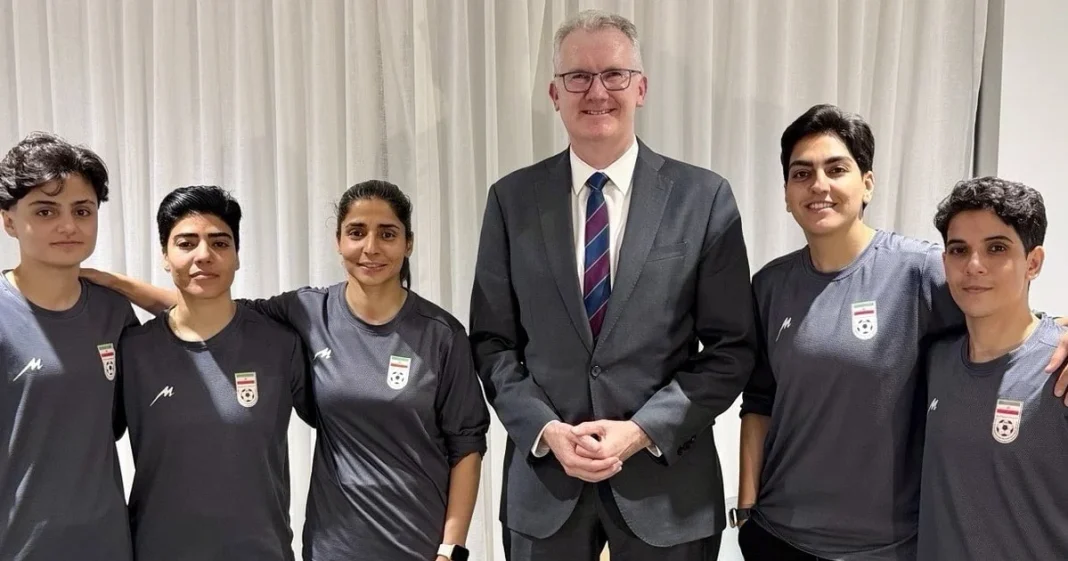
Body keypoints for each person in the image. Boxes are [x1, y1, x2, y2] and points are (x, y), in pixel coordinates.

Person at [469, 10, 757, 561]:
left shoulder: (704, 198)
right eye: (578, 76)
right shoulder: (511, 201)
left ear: (641, 88)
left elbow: (730, 349)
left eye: (614, 75)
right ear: (555, 93)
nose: (596, 91)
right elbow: (492, 344)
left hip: (666, 487)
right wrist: (547, 429)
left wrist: (643, 429)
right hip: (546, 485)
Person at [84, 179, 489, 561]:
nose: (371, 247)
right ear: (338, 242)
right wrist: (117, 284)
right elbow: (208, 305)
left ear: (409, 243)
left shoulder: (441, 334)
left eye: (387, 233)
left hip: (417, 536)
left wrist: (450, 548)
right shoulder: (305, 312)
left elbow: (467, 443)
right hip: (332, 543)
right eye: (356, 232)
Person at [736, 105, 1068, 561]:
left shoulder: (920, 270)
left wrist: (1060, 330)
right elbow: (758, 401)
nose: (819, 185)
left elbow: (1001, 309)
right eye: (802, 173)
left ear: (867, 182)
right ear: (787, 192)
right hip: (779, 536)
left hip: (884, 547)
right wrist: (747, 508)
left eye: (836, 169)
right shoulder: (770, 285)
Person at [119, 186, 313, 560]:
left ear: (237, 256)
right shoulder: (132, 350)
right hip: (157, 550)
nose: (203, 256)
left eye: (220, 243)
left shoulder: (280, 344)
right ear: (164, 255)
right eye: (186, 243)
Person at [0, 132, 139, 560]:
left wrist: (124, 286)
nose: (68, 226)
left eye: (83, 211)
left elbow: (213, 319)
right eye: (45, 211)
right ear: (8, 220)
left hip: (107, 543)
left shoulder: (114, 313)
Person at [920, 177, 1067, 560]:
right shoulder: (934, 361)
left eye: (996, 248)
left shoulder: (1060, 369)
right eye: (958, 249)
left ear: (1032, 262)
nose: (973, 266)